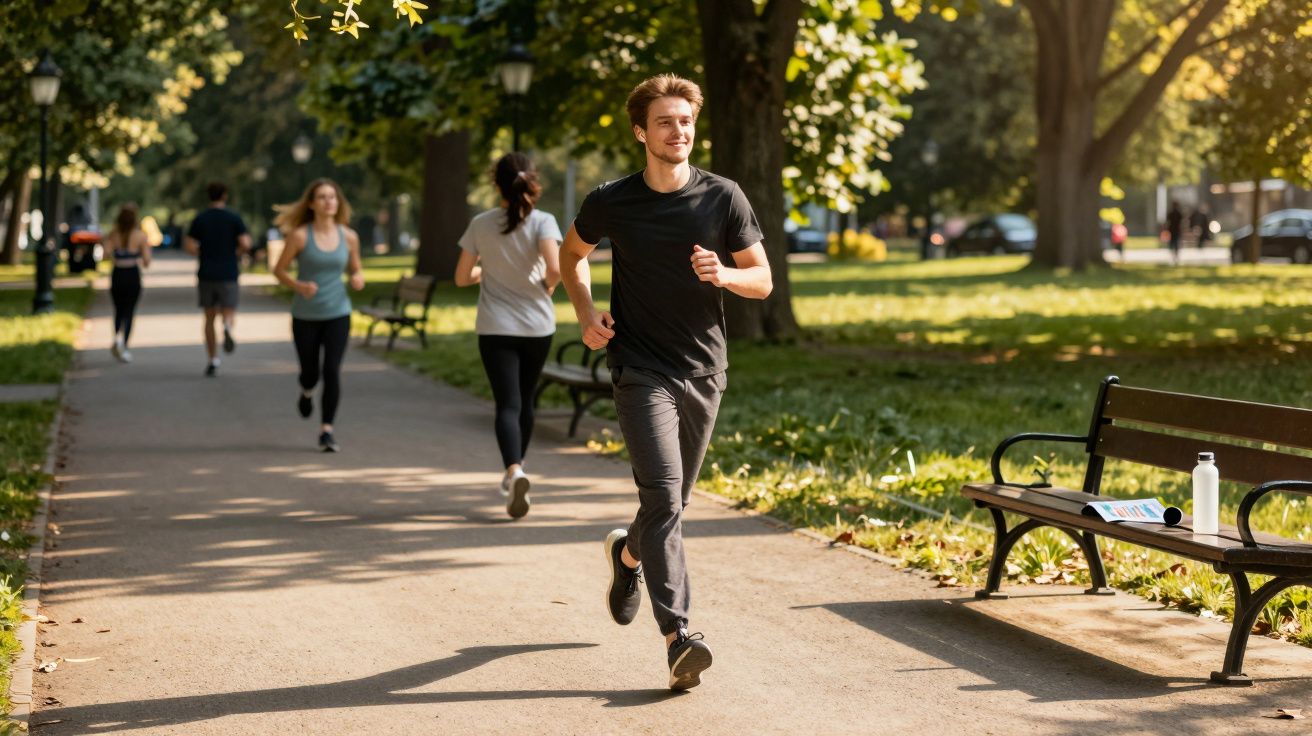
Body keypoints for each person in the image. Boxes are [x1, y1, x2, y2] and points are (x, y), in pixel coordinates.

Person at [559, 73, 773, 691]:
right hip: (638, 366)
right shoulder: (612, 200)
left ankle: (629, 553)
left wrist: (722, 275)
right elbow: (572, 257)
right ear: (639, 131)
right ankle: (679, 634)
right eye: (664, 122)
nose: (678, 131)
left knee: (668, 505)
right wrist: (584, 312)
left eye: (685, 121)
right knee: (664, 492)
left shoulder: (724, 198)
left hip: (705, 368)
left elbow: (761, 279)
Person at [454, 153, 563, 520]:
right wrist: (543, 289)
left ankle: (514, 469)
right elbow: (555, 269)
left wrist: (488, 271)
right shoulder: (543, 222)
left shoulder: (480, 224)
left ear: (495, 183)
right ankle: (517, 468)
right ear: (532, 181)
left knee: (507, 404)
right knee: (526, 400)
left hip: (495, 327)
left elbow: (460, 277)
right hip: (537, 327)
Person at [272, 179, 365, 453]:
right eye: (322, 197)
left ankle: (327, 430)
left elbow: (355, 268)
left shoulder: (349, 237)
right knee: (310, 371)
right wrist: (298, 286)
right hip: (305, 314)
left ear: (338, 203)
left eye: (333, 197)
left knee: (332, 370)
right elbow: (279, 270)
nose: (329, 202)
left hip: (338, 312)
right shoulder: (300, 235)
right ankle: (307, 391)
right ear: (312, 204)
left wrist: (357, 277)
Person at [184, 182, 251, 376]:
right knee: (228, 310)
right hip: (228, 271)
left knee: (209, 317)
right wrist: (235, 252)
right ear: (225, 195)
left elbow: (189, 246)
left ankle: (213, 358)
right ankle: (228, 326)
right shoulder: (234, 218)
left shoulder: (200, 218)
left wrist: (204, 252)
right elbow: (245, 243)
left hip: (206, 272)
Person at [106, 203, 151, 363]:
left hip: (118, 274)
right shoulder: (140, 235)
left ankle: (117, 337)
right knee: (129, 311)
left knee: (118, 310)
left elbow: (106, 254)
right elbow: (146, 261)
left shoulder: (113, 234)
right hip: (132, 275)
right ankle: (124, 345)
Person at [1166, 201, 1184, 266]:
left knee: (1173, 243)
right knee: (1175, 243)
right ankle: (1175, 256)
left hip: (1173, 230)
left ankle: (1174, 256)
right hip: (1175, 230)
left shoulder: (1171, 213)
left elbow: (1168, 222)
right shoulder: (1177, 213)